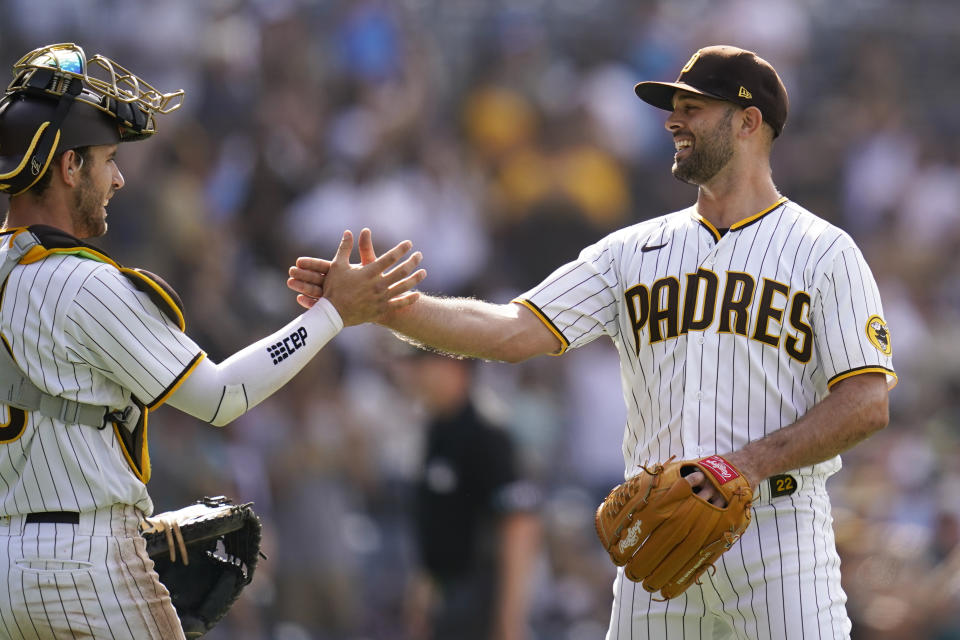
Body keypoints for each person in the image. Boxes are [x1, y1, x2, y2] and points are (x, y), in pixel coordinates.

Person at [289, 45, 896, 639]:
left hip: (778, 535)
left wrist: (744, 466)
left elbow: (867, 402)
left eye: (693, 108)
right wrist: (389, 307)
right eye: (672, 108)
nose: (673, 121)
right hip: (658, 546)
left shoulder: (824, 252)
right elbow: (510, 331)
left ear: (748, 122)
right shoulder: (631, 251)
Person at [0, 43, 425, 639]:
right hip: (86, 567)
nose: (118, 178)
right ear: (69, 167)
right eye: (107, 160)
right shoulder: (83, 281)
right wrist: (333, 313)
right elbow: (222, 397)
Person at [389, 349, 541, 640]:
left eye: (424, 364)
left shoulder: (486, 432)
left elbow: (521, 525)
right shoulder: (436, 429)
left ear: (454, 365)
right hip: (445, 603)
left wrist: (510, 621)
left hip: (482, 602)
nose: (415, 375)